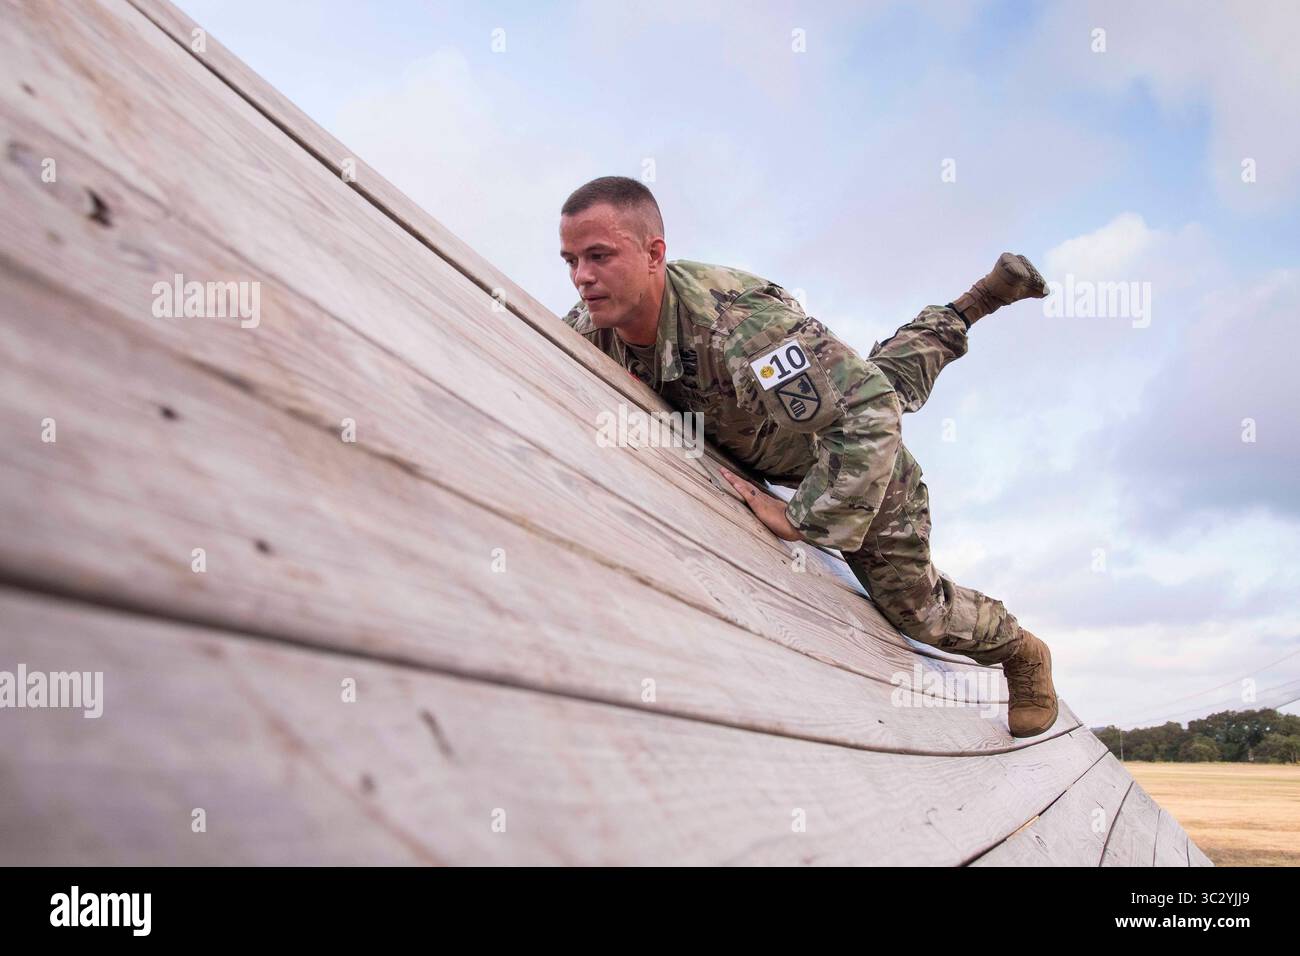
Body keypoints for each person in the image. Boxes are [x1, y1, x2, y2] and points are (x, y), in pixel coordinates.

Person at [558, 175, 1057, 737]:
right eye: (571, 261)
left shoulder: (743, 331)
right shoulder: (593, 325)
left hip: (850, 460)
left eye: (599, 256)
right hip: (784, 424)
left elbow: (868, 414)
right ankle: (975, 303)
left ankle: (1020, 650)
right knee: (882, 375)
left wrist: (804, 519)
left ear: (655, 255)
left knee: (918, 608)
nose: (582, 278)